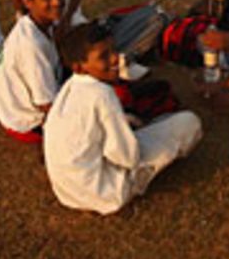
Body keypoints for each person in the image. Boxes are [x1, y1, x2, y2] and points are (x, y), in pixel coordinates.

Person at [44, 22, 202, 214]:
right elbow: (127, 158)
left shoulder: (69, 88)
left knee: (141, 126)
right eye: (103, 56)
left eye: (114, 50)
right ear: (80, 67)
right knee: (188, 123)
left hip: (68, 193)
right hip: (106, 193)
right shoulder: (102, 94)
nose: (114, 59)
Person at [0, 0, 65, 144]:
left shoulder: (38, 24)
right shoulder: (31, 45)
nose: (56, 2)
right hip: (28, 122)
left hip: (25, 105)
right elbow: (46, 103)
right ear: (27, 1)